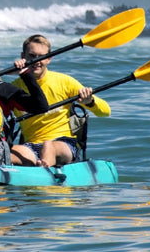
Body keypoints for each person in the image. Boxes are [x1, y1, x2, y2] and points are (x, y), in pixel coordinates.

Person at [10, 34, 110, 167]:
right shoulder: (14, 88)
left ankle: (45, 172)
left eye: (42, 57)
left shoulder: (64, 82)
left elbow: (105, 111)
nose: (36, 61)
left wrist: (89, 101)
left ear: (49, 58)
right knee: (6, 152)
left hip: (63, 144)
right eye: (32, 56)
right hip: (30, 146)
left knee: (48, 145)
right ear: (23, 56)